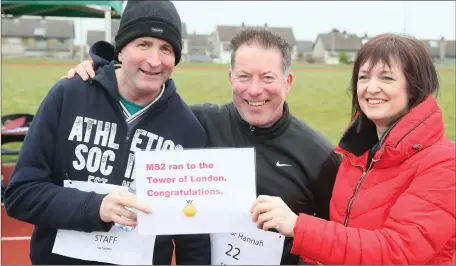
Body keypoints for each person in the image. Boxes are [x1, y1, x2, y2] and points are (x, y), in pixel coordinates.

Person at [65, 28, 341, 265]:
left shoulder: (318, 156)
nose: (255, 90)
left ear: (287, 82)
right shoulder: (195, 123)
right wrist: (98, 76)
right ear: (230, 78)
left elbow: (336, 237)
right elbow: (133, 100)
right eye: (244, 76)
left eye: (267, 78)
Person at [4, 1, 211, 265]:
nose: (154, 60)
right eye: (143, 44)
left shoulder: (187, 129)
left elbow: (192, 238)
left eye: (166, 49)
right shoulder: (68, 95)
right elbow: (21, 194)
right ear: (121, 50)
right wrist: (95, 207)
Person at [250, 33, 456, 264]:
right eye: (364, 77)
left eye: (387, 78)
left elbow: (397, 252)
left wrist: (299, 227)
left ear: (415, 86)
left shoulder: (444, 163)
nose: (371, 88)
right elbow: (345, 236)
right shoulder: (358, 154)